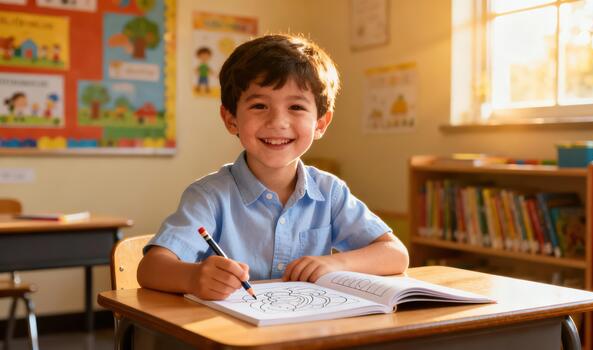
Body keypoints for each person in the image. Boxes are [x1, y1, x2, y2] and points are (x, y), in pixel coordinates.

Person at [137, 34, 409, 300]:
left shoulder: (330, 192)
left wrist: (337, 264)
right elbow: (150, 269)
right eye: (259, 105)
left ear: (321, 123)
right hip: (229, 338)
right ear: (231, 119)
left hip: (305, 331)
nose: (278, 121)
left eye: (296, 107)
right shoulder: (209, 196)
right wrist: (193, 277)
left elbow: (395, 254)